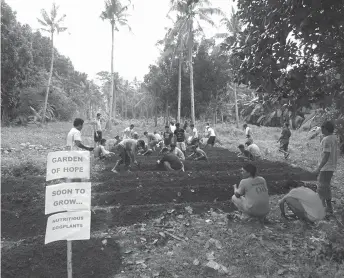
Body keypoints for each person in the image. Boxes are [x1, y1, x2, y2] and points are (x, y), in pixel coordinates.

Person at [313, 121, 338, 215]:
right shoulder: (334, 137)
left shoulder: (327, 140)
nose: (321, 130)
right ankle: (328, 208)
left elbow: (326, 155)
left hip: (326, 167)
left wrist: (319, 168)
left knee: (321, 187)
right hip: (331, 166)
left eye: (322, 128)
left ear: (326, 129)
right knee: (326, 187)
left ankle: (320, 208)